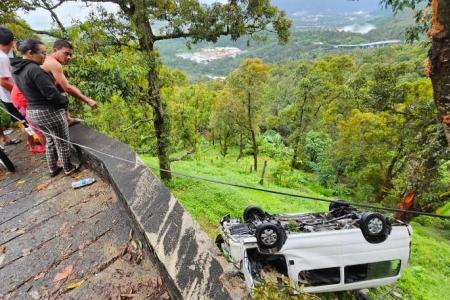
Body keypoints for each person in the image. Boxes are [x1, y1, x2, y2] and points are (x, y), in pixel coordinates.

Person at [12, 39, 79, 176]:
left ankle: (53, 168)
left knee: (50, 140)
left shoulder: (17, 70)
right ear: (30, 53)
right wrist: (64, 101)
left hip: (32, 112)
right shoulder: (35, 70)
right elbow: (52, 94)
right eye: (42, 53)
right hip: (48, 111)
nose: (45, 56)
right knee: (62, 141)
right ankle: (68, 168)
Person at [42, 40, 97, 125]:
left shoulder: (47, 59)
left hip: (28, 96)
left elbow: (60, 85)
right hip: (30, 100)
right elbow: (66, 88)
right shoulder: (54, 64)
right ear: (55, 50)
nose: (69, 57)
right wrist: (88, 100)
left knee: (60, 90)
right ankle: (65, 121)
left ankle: (67, 119)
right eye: (66, 53)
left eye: (70, 55)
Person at [0, 26, 24, 146]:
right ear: (11, 42)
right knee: (24, 121)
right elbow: (3, 81)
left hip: (6, 96)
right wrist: (21, 94)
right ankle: (34, 143)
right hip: (11, 97)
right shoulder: (3, 58)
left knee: (20, 120)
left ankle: (32, 143)